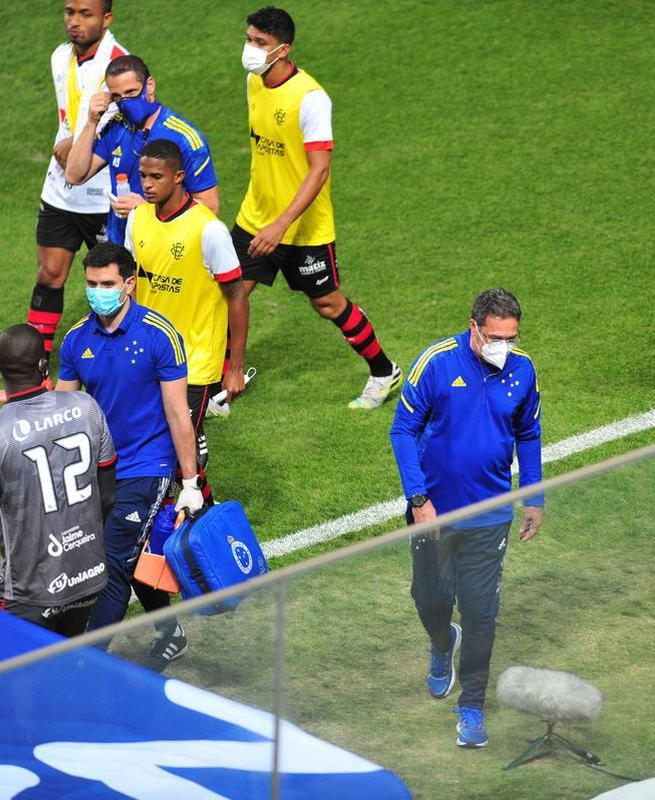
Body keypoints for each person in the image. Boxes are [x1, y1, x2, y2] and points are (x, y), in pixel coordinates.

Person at [390, 288, 544, 748]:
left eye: (511, 337)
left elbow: (529, 433)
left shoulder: (523, 370)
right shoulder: (435, 362)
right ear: (474, 327)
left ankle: (472, 707)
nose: (504, 345)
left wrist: (532, 496)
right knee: (430, 600)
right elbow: (402, 429)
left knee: (482, 613)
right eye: (495, 336)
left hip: (490, 516)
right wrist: (419, 500)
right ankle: (441, 643)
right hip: (433, 514)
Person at [233, 7, 401, 410]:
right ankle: (223, 382)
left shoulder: (310, 98)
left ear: (283, 49)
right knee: (231, 295)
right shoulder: (254, 83)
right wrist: (266, 220)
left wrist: (282, 225)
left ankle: (383, 370)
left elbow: (319, 170)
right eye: (249, 39)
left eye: (260, 43)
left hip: (303, 228)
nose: (250, 49)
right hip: (254, 217)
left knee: (327, 304)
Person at [56, 241, 203, 669]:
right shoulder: (76, 340)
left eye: (107, 283)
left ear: (129, 285)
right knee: (129, 555)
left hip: (149, 465)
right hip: (99, 471)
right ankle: (170, 631)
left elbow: (179, 414)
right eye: (91, 283)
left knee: (113, 563)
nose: (97, 291)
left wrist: (190, 483)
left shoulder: (160, 335)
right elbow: (63, 413)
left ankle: (88, 665)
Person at [0, 325, 115, 636]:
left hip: (27, 594)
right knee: (67, 664)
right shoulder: (86, 407)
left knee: (18, 680)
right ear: (43, 365)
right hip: (88, 577)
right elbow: (107, 497)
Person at [126, 139, 249, 503]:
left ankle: (206, 524)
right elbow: (134, 281)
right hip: (147, 352)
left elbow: (237, 296)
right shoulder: (138, 218)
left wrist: (235, 366)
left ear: (179, 177)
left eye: (156, 177)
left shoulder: (209, 231)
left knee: (177, 457)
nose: (147, 184)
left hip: (193, 361)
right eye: (143, 176)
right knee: (151, 442)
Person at [27, 0, 128, 361]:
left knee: (114, 282)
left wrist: (77, 146)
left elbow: (128, 125)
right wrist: (64, 144)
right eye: (70, 12)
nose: (75, 21)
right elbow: (67, 116)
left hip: (104, 197)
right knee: (50, 273)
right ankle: (34, 367)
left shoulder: (120, 65)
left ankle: (122, 356)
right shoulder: (59, 57)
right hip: (61, 190)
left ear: (106, 18)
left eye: (86, 14)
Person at [64, 54, 219, 248]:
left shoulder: (184, 138)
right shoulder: (116, 129)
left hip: (163, 249)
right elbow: (73, 175)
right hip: (120, 248)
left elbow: (210, 207)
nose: (125, 102)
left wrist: (145, 211)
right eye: (117, 96)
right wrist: (91, 121)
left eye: (131, 92)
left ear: (150, 85)